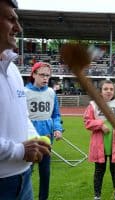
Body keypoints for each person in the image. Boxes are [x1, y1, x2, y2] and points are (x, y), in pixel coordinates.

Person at [0, 0, 51, 199]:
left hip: (23, 179)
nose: (18, 28)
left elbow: (23, 116)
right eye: (10, 19)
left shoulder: (12, 69)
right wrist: (19, 151)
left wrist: (34, 139)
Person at [83, 80, 115, 200]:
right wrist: (100, 125)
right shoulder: (93, 104)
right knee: (99, 171)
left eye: (111, 89)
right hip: (99, 144)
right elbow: (87, 121)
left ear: (114, 91)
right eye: (106, 89)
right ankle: (97, 196)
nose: (108, 91)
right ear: (101, 91)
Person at [25, 62, 63, 200]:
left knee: (45, 173)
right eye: (42, 75)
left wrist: (58, 128)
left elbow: (56, 115)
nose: (45, 78)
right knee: (26, 172)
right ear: (33, 74)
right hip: (28, 140)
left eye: (48, 75)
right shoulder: (24, 92)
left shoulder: (51, 93)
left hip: (47, 139)